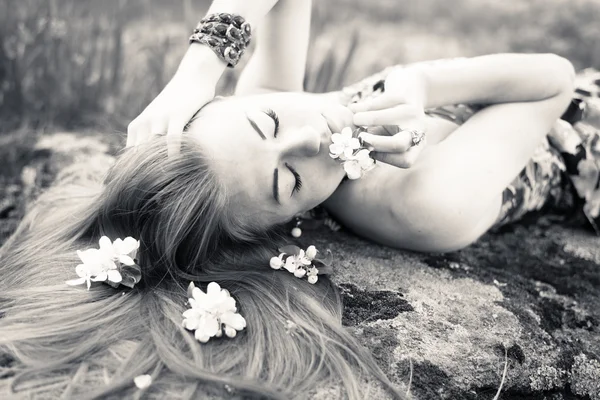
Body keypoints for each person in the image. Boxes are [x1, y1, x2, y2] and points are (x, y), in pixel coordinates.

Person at [1, 0, 598, 398]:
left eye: (266, 121)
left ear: (233, 98)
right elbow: (552, 77)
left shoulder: (278, 102)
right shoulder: (421, 205)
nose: (311, 137)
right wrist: (423, 82)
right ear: (282, 223)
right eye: (288, 181)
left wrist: (198, 67)